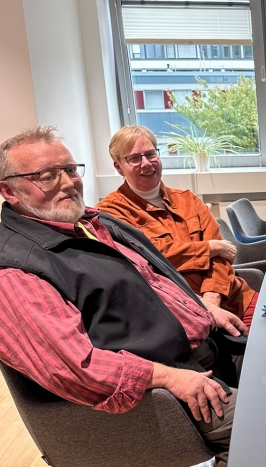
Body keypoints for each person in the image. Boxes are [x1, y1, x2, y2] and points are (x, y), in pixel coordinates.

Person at [0, 127, 235, 467]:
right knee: (264, 424)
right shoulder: (10, 274)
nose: (67, 182)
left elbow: (154, 285)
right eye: (46, 176)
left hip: (196, 353)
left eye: (70, 169)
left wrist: (205, 312)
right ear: (8, 191)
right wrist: (169, 376)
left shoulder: (91, 225)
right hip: (152, 398)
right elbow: (81, 369)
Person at [97, 125, 253, 335]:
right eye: (134, 158)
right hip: (183, 317)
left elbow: (221, 258)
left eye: (151, 154)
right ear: (118, 167)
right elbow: (150, 258)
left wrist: (211, 300)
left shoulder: (188, 199)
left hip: (233, 298)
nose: (146, 163)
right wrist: (208, 248)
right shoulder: (109, 213)